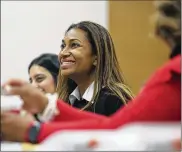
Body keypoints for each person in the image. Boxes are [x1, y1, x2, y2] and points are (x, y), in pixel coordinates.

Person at [1, 0, 181, 144]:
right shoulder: (67, 98)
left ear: (97, 57)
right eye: (63, 46)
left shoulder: (114, 98)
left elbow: (113, 133)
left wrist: (34, 131)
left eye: (74, 45)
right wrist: (47, 107)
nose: (63, 53)